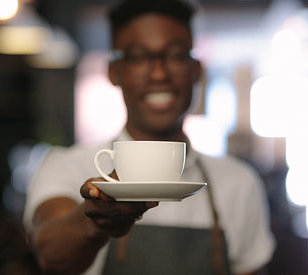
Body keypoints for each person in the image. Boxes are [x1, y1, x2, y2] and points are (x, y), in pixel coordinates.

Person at [23, 0, 275, 274]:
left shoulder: (238, 183)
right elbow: (50, 255)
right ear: (114, 72)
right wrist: (93, 223)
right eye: (139, 57)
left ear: (196, 70)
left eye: (176, 55)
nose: (159, 74)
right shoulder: (67, 167)